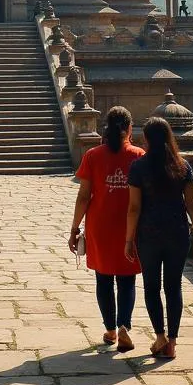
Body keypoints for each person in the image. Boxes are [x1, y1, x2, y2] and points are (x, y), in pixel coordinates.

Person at [125, 117, 193, 358]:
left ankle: (159, 336)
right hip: (177, 233)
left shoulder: (139, 167)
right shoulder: (183, 166)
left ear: (146, 139)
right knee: (173, 287)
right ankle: (172, 342)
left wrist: (129, 240)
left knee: (151, 287)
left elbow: (134, 208)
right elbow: (192, 204)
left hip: (148, 234)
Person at [69, 107, 144, 350]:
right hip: (129, 227)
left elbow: (83, 196)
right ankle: (124, 326)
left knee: (103, 279)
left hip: (99, 225)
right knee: (127, 280)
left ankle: (110, 329)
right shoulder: (138, 155)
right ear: (129, 128)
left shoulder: (93, 155)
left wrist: (74, 228)